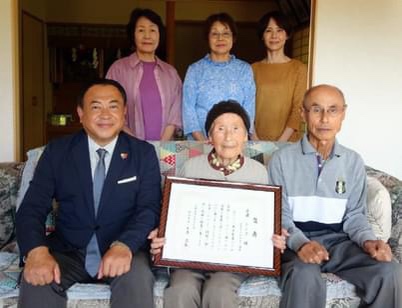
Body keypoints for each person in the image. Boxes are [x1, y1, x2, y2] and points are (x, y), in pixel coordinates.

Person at [16, 79, 162, 308]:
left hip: (124, 250)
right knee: (37, 281)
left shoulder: (143, 153)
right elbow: (32, 207)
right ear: (80, 113)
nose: (105, 114)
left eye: (113, 106)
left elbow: (149, 209)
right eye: (96, 107)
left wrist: (124, 245)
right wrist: (36, 251)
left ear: (124, 113)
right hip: (69, 250)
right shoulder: (58, 151)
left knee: (137, 281)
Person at [268, 84, 402, 308]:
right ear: (303, 113)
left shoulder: (353, 162)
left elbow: (356, 217)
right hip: (296, 242)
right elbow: (279, 215)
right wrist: (301, 244)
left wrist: (369, 241)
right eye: (316, 109)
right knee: (305, 275)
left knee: (389, 272)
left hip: (340, 242)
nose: (324, 119)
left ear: (343, 114)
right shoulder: (282, 160)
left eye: (332, 110)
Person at [149, 100, 287, 308]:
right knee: (180, 290)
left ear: (246, 136)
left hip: (234, 261)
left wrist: (274, 238)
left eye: (236, 128)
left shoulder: (258, 171)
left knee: (219, 291)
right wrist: (162, 233)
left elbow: (264, 221)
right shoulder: (190, 167)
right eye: (220, 129)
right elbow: (175, 215)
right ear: (210, 137)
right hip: (190, 257)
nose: (229, 136)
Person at [106, 8, 182, 141]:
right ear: (133, 35)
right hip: (127, 147)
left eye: (152, 30)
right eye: (141, 30)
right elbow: (111, 110)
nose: (147, 36)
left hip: (164, 150)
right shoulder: (118, 69)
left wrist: (161, 145)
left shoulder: (170, 73)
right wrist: (138, 146)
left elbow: (176, 112)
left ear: (160, 35)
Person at [182, 13, 256, 141]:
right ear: (207, 38)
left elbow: (248, 109)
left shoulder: (244, 69)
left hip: (235, 143)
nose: (220, 38)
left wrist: (237, 139)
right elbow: (188, 108)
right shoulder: (195, 70)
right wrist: (203, 142)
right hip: (201, 142)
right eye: (214, 34)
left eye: (226, 33)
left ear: (233, 37)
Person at [252, 11, 307, 142]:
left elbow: (298, 108)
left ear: (287, 34)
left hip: (288, 141)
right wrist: (255, 139)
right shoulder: (252, 69)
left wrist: (280, 143)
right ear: (262, 35)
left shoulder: (298, 68)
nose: (274, 36)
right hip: (256, 140)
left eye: (280, 30)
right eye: (268, 30)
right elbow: (246, 107)